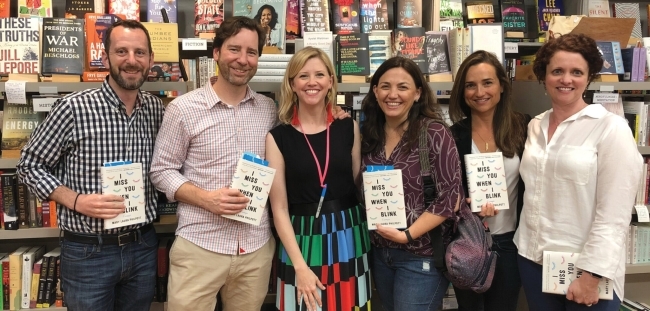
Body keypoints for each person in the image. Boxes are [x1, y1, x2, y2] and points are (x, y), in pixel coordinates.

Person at [16, 20, 162, 311]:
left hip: (142, 246)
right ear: (106, 57)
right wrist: (77, 200)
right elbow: (28, 165)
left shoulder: (158, 109)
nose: (131, 61)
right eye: (121, 51)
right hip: (88, 251)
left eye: (139, 53)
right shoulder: (72, 107)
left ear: (150, 60)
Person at [149, 16, 276, 311]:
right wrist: (207, 199)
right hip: (200, 247)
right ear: (216, 53)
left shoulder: (269, 110)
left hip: (255, 248)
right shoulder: (183, 108)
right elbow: (161, 171)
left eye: (252, 52)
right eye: (234, 49)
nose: (243, 60)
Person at [514, 33, 643, 310]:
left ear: (589, 76)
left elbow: (614, 213)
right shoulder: (535, 126)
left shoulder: (611, 128)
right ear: (543, 75)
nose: (566, 79)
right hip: (533, 260)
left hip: (585, 270)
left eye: (576, 72)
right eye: (557, 71)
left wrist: (592, 275)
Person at [266, 46, 371, 311]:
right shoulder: (278, 137)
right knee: (302, 306)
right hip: (300, 238)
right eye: (303, 76)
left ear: (330, 82)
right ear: (292, 83)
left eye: (319, 75)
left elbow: (358, 184)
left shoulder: (349, 127)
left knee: (351, 304)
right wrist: (300, 267)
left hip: (349, 231)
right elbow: (278, 208)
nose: (312, 82)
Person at [360, 56, 463, 311]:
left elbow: (451, 196)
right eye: (385, 86)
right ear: (375, 91)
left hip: (421, 255)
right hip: (380, 253)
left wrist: (407, 235)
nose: (392, 94)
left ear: (417, 93)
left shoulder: (434, 132)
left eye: (403, 87)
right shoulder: (368, 137)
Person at [448, 50, 528, 311]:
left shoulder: (525, 128)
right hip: (468, 241)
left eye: (487, 82)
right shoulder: (453, 135)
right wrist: (462, 202)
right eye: (470, 85)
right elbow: (444, 190)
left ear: (502, 86)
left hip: (511, 243)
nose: (479, 92)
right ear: (462, 91)